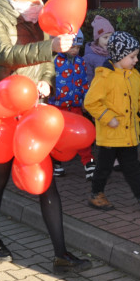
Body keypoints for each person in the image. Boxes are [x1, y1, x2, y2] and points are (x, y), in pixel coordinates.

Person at [0, 0, 91, 274]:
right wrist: (51, 47)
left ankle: (61, 254)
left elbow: (46, 66)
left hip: (31, 110)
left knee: (46, 181)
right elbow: (3, 54)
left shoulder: (39, 13)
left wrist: (46, 83)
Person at [85, 31, 140, 215]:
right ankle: (96, 194)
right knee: (103, 168)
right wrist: (107, 117)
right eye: (132, 56)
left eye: (136, 56)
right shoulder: (104, 77)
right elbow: (90, 102)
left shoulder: (134, 76)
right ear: (119, 56)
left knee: (132, 167)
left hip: (128, 135)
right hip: (110, 135)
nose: (136, 60)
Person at [48, 30, 91, 176]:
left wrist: (85, 98)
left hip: (75, 105)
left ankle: (88, 161)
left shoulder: (81, 62)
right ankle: (56, 162)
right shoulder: (53, 60)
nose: (75, 50)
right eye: (72, 47)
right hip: (57, 105)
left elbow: (84, 82)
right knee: (56, 134)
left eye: (78, 48)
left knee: (81, 133)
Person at [83, 15, 115, 83]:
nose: (109, 41)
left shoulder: (114, 53)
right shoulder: (89, 58)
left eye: (111, 37)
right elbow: (88, 80)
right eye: (105, 37)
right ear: (97, 39)